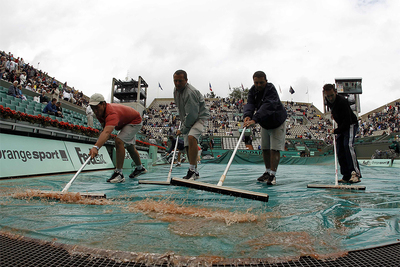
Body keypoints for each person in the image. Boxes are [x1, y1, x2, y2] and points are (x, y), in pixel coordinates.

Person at [88, 93, 147, 183]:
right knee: (130, 147)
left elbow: (107, 132)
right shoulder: (100, 113)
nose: (95, 111)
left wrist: (96, 147)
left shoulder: (111, 112)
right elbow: (105, 129)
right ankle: (140, 168)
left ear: (103, 104)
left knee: (119, 141)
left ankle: (119, 173)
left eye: (97, 108)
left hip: (135, 121)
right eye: (93, 108)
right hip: (125, 122)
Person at [243, 71, 287, 185]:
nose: (258, 85)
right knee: (265, 148)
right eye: (256, 82)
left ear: (266, 81)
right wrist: (247, 115)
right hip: (265, 123)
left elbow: (268, 106)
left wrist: (255, 119)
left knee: (274, 149)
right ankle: (267, 172)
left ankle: (273, 175)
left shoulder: (271, 90)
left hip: (277, 122)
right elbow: (250, 104)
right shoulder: (253, 90)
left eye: (261, 82)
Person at [173, 70, 210, 180]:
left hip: (199, 117)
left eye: (180, 81)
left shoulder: (190, 92)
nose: (177, 83)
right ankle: (195, 172)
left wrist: (183, 129)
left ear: (186, 80)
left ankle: (192, 170)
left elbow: (192, 115)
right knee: (187, 145)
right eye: (175, 81)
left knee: (191, 137)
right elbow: (181, 109)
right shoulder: (175, 90)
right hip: (188, 119)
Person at [323, 83, 361, 183]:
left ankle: (355, 174)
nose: (330, 98)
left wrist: (335, 131)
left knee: (348, 146)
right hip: (341, 125)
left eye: (332, 95)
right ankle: (346, 175)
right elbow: (334, 109)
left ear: (335, 92)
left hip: (350, 124)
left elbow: (347, 122)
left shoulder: (343, 102)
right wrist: (333, 114)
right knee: (340, 149)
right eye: (328, 96)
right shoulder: (327, 100)